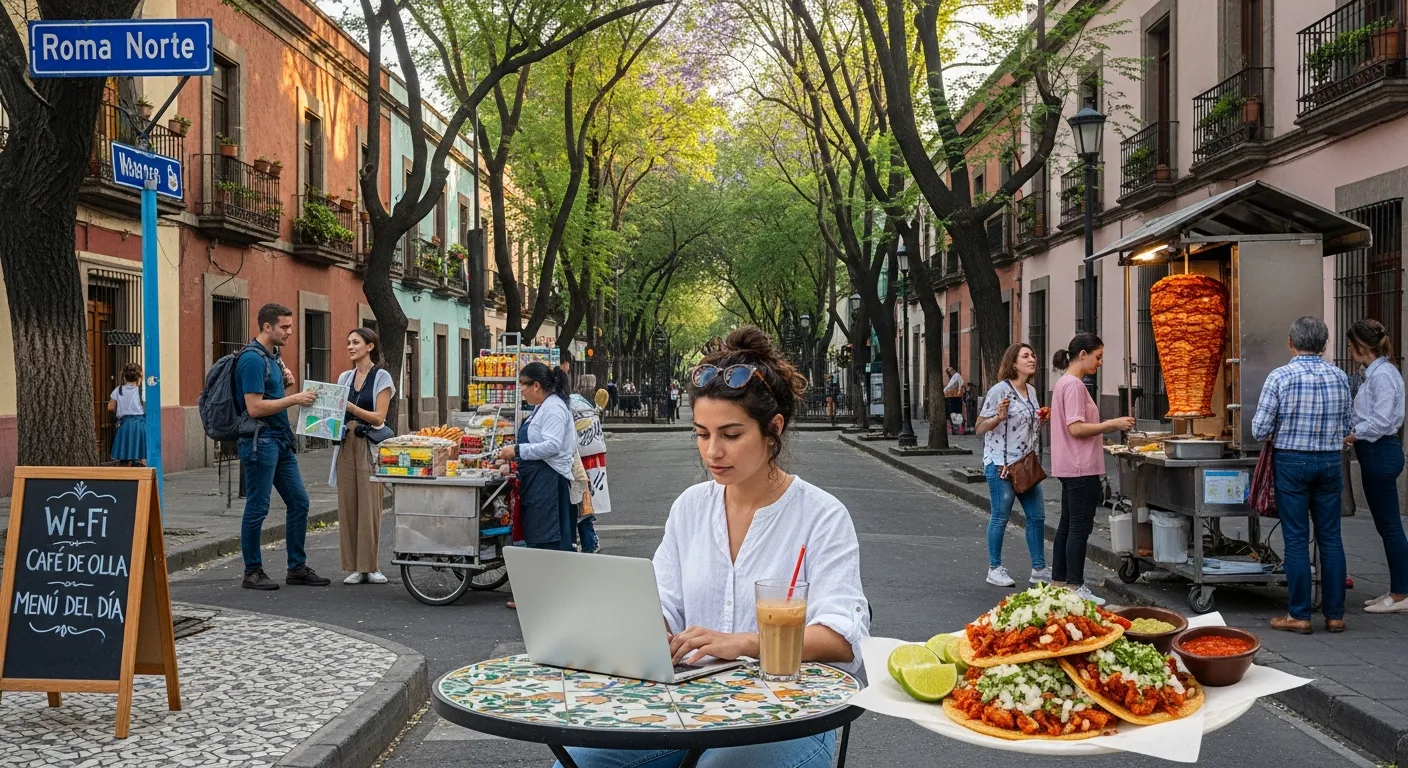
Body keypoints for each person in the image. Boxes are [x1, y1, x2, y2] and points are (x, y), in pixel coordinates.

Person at [558, 327, 868, 768]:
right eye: (702, 434)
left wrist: (740, 642)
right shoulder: (690, 507)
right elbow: (663, 600)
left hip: (791, 715)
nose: (713, 451)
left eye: (731, 434)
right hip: (690, 708)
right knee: (578, 760)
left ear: (773, 429)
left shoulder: (822, 515)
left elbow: (840, 638)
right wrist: (646, 628)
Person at [1253, 316, 1352, 633]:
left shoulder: (1280, 377)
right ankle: (1335, 615)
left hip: (1292, 462)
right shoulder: (1339, 377)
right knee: (1331, 538)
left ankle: (1299, 615)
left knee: (1296, 539)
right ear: (1324, 345)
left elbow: (1259, 429)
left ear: (1290, 341)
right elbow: (1348, 426)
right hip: (1330, 462)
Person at [236, 303, 328, 590]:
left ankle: (296, 567)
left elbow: (269, 398)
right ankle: (252, 571)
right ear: (267, 327)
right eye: (285, 327)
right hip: (260, 442)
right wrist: (295, 398)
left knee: (299, 502)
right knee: (258, 507)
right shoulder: (252, 359)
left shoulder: (272, 357)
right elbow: (253, 407)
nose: (290, 331)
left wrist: (286, 388)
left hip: (279, 440)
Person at [1049, 333, 1134, 607]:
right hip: (1080, 466)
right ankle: (1075, 584)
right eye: (1097, 356)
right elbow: (1076, 428)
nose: (1100, 362)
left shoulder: (1064, 383)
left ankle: (1060, 582)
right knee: (1079, 528)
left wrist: (1102, 435)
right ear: (1082, 354)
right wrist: (1112, 425)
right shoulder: (1074, 385)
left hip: (1069, 464)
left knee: (1067, 525)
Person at [500, 362, 578, 608]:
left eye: (524, 384)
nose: (521, 390)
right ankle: (539, 594)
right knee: (539, 537)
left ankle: (548, 597)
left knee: (549, 539)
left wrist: (517, 450)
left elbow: (552, 445)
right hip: (537, 480)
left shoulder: (553, 409)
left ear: (537, 385)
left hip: (549, 480)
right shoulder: (542, 407)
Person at [1344, 320, 1408, 614]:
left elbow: (1382, 422)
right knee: (1387, 526)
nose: (1348, 350)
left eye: (1351, 345)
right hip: (1377, 451)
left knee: (1391, 526)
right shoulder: (1378, 373)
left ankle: (1401, 593)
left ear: (1361, 346)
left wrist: (1355, 434)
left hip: (1380, 451)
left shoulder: (1382, 376)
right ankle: (1398, 588)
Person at [976, 343, 1051, 588]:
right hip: (1001, 464)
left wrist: (1041, 417)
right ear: (1014, 363)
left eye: (1033, 354)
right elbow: (979, 428)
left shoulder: (1031, 390)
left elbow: (1027, 426)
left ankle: (1039, 568)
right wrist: (997, 417)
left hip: (1026, 465)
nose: (1032, 359)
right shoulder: (1000, 391)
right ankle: (994, 568)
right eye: (1026, 356)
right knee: (1000, 516)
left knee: (1037, 517)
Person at [333, 328, 396, 585]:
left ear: (370, 346)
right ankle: (355, 566)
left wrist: (349, 406)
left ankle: (371, 565)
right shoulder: (344, 378)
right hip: (346, 442)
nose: (350, 346)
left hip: (369, 443)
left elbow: (379, 418)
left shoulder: (382, 377)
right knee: (348, 503)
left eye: (355, 342)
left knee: (370, 505)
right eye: (348, 342)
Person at [108, 362, 146, 467]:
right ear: (139, 377)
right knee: (141, 453)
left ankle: (125, 473)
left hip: (124, 425)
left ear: (125, 377)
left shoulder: (118, 390)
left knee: (124, 453)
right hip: (140, 425)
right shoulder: (142, 391)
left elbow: (110, 407)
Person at [944, 366, 965, 433]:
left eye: (951, 370)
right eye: (949, 371)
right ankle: (955, 427)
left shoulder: (956, 375)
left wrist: (945, 390)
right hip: (953, 397)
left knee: (955, 411)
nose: (951, 372)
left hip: (955, 397)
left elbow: (952, 385)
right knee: (954, 412)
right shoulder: (954, 377)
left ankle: (957, 427)